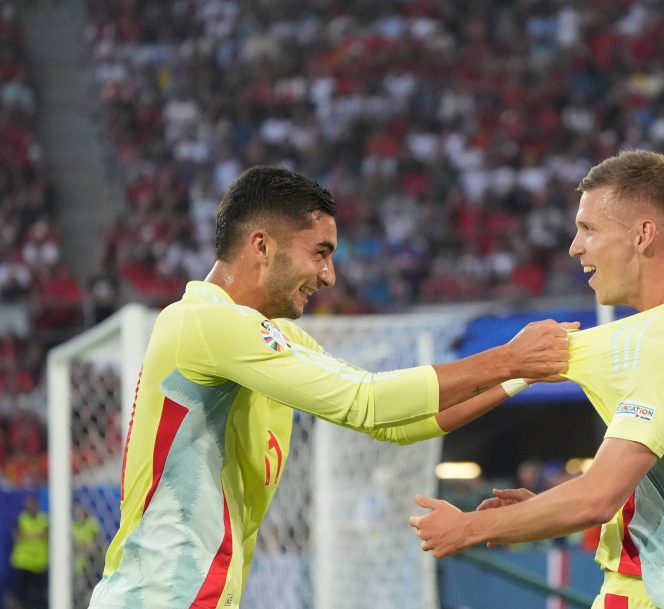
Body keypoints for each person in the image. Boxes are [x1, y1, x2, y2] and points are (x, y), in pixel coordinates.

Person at [87, 166, 571, 609]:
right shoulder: (205, 322)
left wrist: (518, 376)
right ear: (261, 245)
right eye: (319, 253)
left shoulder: (274, 337)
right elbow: (368, 403)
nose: (328, 275)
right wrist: (507, 356)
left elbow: (395, 424)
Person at [411, 150, 664, 609]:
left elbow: (596, 498)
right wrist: (537, 511)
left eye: (589, 229)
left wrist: (467, 528)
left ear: (643, 235)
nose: (575, 247)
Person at [9, 494, 49, 609]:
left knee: (40, 596)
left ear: (37, 505)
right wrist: (36, 535)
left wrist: (26, 535)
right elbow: (17, 537)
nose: (31, 506)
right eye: (29, 504)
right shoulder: (21, 519)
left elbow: (45, 535)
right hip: (23, 563)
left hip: (39, 565)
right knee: (20, 596)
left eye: (33, 504)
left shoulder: (44, 519)